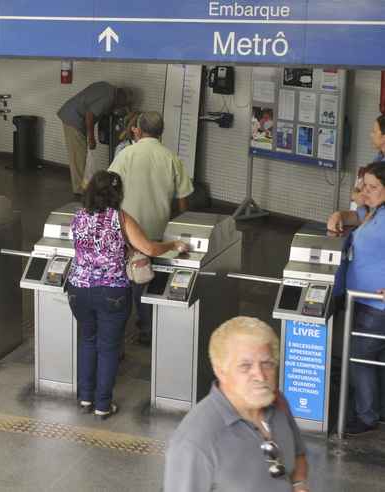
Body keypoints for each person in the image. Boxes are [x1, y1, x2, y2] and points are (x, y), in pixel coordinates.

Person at [67, 170, 189, 419]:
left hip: (78, 289)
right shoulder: (120, 218)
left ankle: (85, 398)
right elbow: (149, 248)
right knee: (108, 347)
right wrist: (173, 245)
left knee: (88, 340)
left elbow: (82, 247)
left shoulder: (79, 217)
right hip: (111, 290)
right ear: (117, 193)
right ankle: (103, 404)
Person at [164, 317, 310, 492]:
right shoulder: (195, 442)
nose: (261, 376)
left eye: (267, 364)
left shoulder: (278, 403)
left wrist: (298, 484)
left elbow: (298, 454)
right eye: (245, 366)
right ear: (220, 371)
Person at [108, 111, 194, 346]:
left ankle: (120, 328)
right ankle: (147, 328)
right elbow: (184, 198)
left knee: (124, 277)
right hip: (158, 231)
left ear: (139, 129)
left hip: (126, 229)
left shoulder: (126, 155)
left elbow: (109, 187)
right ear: (161, 131)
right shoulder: (171, 157)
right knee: (147, 278)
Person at [327, 161, 385, 435]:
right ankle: (373, 407)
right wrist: (338, 215)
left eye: (374, 187)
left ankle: (367, 416)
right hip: (359, 300)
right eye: (365, 186)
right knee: (368, 358)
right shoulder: (374, 212)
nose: (366, 192)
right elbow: (355, 217)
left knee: (360, 357)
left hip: (377, 304)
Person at [57, 82, 131, 195]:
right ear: (119, 99)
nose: (118, 107)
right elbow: (89, 115)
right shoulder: (109, 97)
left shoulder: (106, 87)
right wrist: (91, 138)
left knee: (79, 154)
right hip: (74, 119)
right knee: (79, 155)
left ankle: (83, 185)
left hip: (71, 113)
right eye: (121, 105)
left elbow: (91, 104)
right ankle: (80, 189)